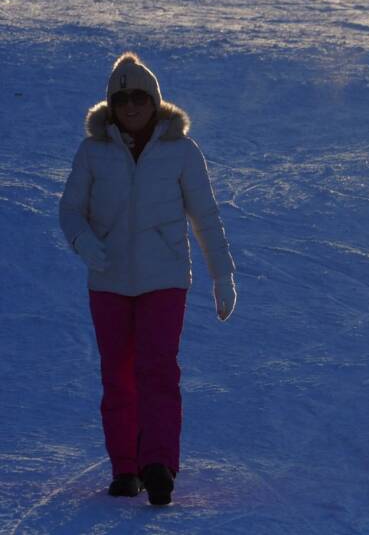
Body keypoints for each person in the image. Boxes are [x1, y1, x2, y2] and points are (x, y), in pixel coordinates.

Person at [59, 52, 237, 506]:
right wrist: (85, 243)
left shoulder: (181, 150)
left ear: (155, 101)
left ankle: (158, 465)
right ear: (111, 106)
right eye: (122, 100)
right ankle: (125, 468)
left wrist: (223, 276)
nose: (131, 107)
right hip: (109, 281)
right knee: (118, 378)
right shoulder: (93, 150)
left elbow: (206, 217)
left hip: (164, 280)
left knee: (157, 371)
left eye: (139, 97)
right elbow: (70, 210)